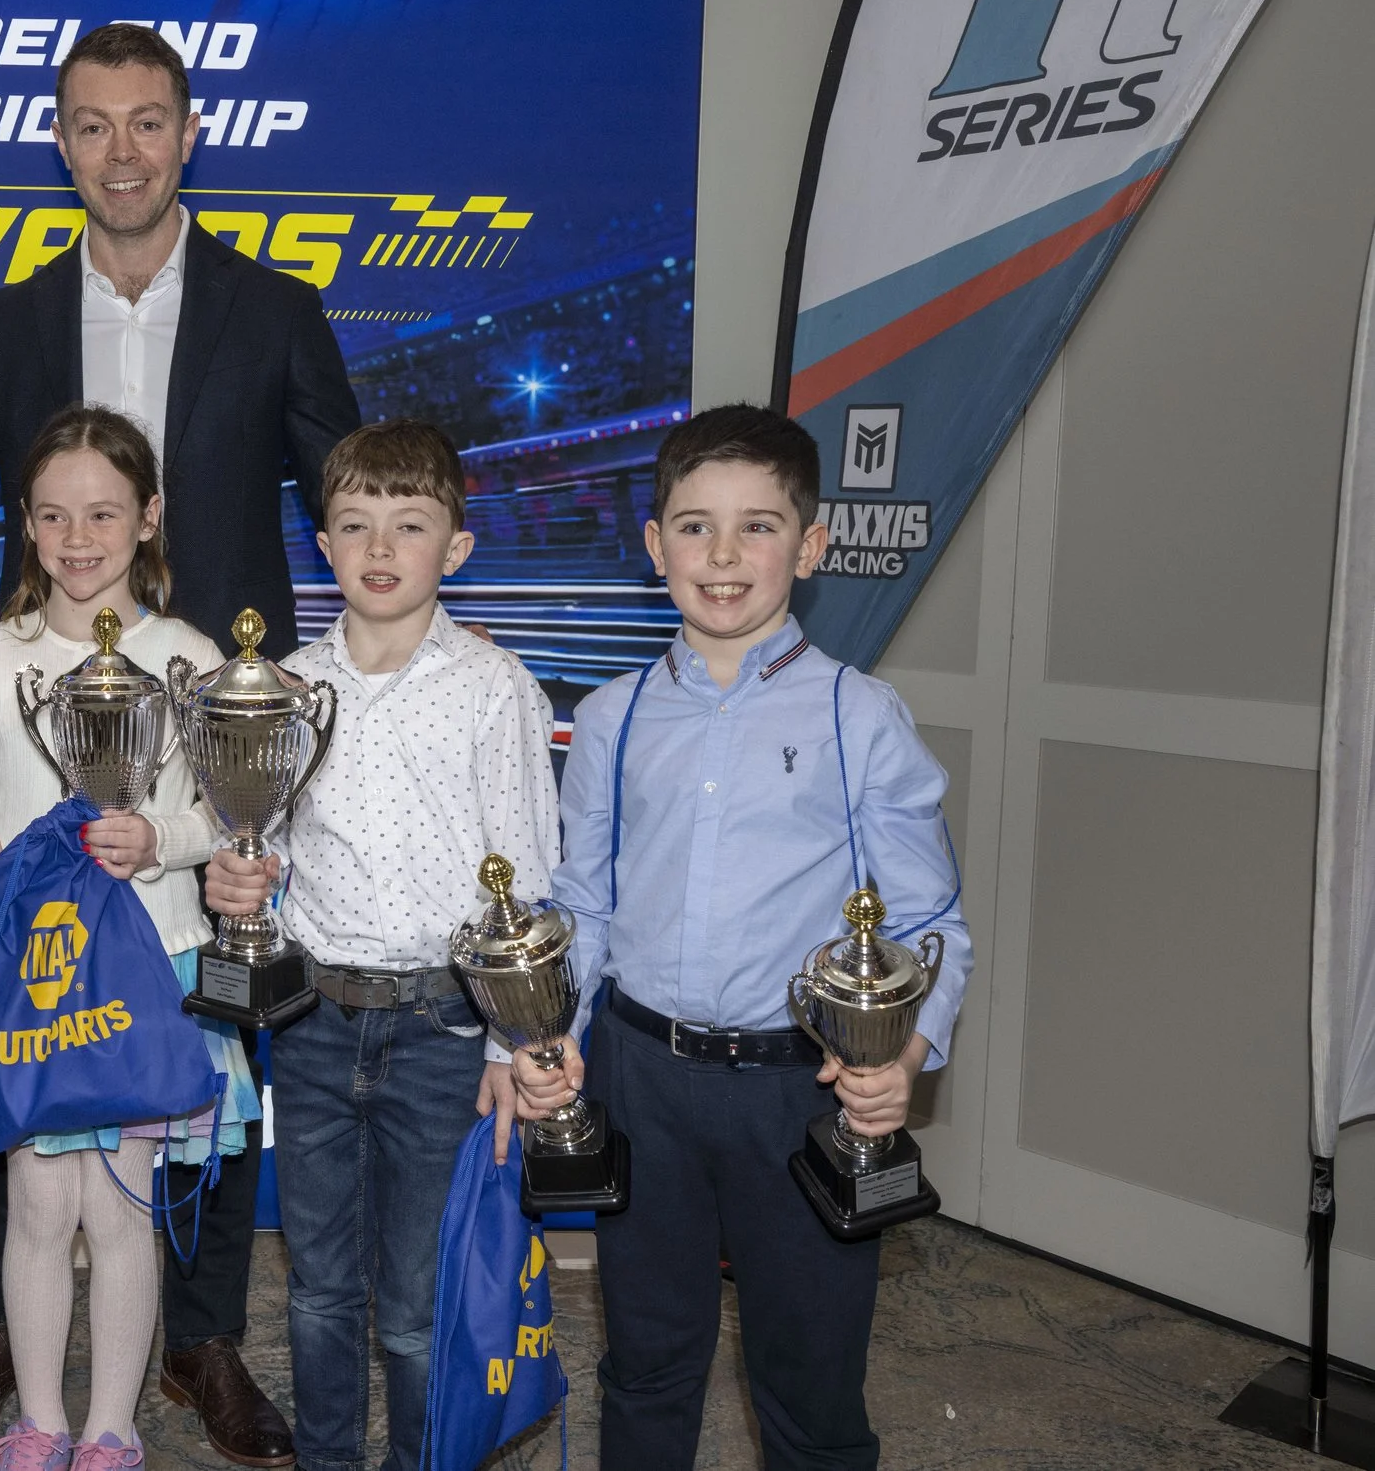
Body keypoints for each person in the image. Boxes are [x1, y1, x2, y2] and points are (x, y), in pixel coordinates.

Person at [0, 21, 357, 1461]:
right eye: (91, 123)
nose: (120, 150)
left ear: (189, 135)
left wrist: (408, 596)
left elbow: (344, 485)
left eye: (146, 121)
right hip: (40, 725)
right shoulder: (11, 321)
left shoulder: (276, 308)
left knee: (204, 1030)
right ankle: (16, 1335)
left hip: (212, 734)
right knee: (30, 1009)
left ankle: (200, 1332)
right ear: (59, 142)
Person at [513, 404, 972, 1471]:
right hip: (641, 1080)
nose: (722, 555)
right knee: (645, 1365)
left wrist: (902, 1057)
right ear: (654, 544)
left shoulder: (859, 715)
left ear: (809, 547)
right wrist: (553, 1033)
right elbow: (586, 902)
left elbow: (927, 921)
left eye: (757, 526)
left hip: (797, 1089)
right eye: (694, 526)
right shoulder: (613, 716)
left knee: (809, 1384)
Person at [204, 418, 560, 1471]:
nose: (380, 547)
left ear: (456, 546)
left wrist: (508, 1042)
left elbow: (526, 879)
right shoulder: (284, 688)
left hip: (444, 1027)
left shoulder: (494, 686)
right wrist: (237, 885)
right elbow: (259, 845)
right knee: (318, 1288)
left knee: (413, 1303)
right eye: (354, 524)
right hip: (312, 1020)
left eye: (409, 524)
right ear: (322, 544)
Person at [0, 404, 259, 1471]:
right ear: (25, 522)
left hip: (149, 961)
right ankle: (42, 1421)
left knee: (117, 1206)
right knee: (33, 1204)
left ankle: (111, 1427)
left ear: (148, 517)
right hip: (28, 969)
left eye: (103, 512)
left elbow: (220, 816)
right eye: (54, 514)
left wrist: (156, 837)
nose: (77, 537)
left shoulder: (187, 655)